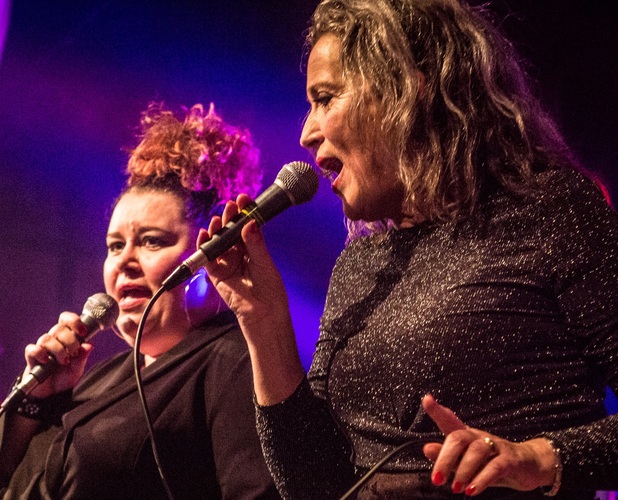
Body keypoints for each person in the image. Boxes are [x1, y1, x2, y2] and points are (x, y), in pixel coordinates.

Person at [199, 0, 618, 498]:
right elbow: (313, 486)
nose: (306, 133)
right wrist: (264, 320)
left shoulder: (550, 208)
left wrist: (539, 458)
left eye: (325, 98)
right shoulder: (361, 265)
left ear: (407, 89)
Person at [0, 102, 279, 499]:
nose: (124, 262)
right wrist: (37, 400)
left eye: (151, 241)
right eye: (115, 246)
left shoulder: (234, 365)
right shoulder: (99, 377)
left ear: (212, 254)